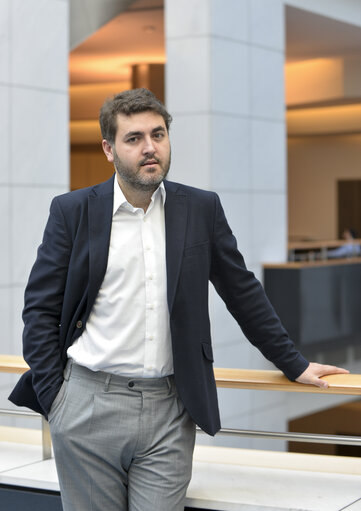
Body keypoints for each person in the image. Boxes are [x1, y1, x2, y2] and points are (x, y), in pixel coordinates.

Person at [9, 88, 348, 511]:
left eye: (159, 134)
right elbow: (39, 308)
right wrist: (56, 398)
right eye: (134, 138)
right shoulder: (72, 211)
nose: (150, 148)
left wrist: (292, 362)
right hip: (87, 406)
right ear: (109, 149)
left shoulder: (201, 209)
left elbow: (242, 292)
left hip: (169, 410)